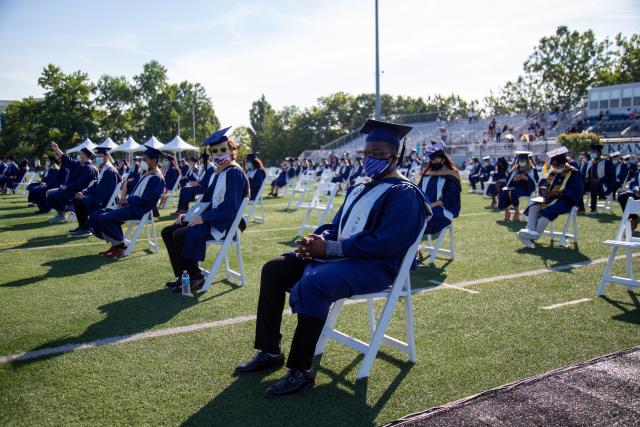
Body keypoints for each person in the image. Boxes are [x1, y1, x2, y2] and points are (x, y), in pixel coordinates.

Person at [234, 119, 431, 397]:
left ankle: (301, 370)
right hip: (342, 259)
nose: (371, 159)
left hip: (377, 267)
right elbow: (336, 226)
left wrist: (331, 249)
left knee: (315, 284)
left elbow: (387, 243)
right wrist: (317, 239)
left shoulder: (404, 193)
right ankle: (270, 350)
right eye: (367, 154)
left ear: (394, 157)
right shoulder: (360, 188)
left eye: (379, 154)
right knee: (274, 269)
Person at [162, 127, 249, 292]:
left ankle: (195, 276)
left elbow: (230, 208)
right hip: (211, 218)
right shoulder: (219, 172)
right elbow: (206, 201)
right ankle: (183, 275)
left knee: (180, 234)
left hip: (223, 224)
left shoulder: (234, 173)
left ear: (231, 151)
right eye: (214, 150)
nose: (218, 153)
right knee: (168, 231)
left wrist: (203, 218)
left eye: (223, 149)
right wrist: (188, 215)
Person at [87, 147, 165, 257]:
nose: (142, 162)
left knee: (106, 217)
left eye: (145, 159)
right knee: (97, 215)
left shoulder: (157, 178)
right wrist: (126, 194)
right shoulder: (148, 173)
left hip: (139, 210)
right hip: (131, 206)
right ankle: (116, 245)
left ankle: (120, 247)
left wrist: (127, 200)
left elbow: (147, 200)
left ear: (154, 161)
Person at [517, 147, 584, 247]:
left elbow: (578, 192)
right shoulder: (554, 172)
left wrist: (559, 193)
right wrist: (543, 190)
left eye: (552, 162)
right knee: (534, 207)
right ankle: (530, 231)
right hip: (550, 198)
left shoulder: (574, 173)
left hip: (565, 200)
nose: (551, 164)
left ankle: (534, 235)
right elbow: (544, 184)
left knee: (550, 210)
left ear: (557, 162)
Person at [69, 147, 121, 237]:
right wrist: (84, 192)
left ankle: (85, 228)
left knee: (79, 201)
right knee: (77, 198)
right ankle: (83, 226)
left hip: (103, 200)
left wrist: (89, 197)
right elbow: (96, 185)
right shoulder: (104, 169)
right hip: (98, 196)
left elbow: (104, 192)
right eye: (96, 156)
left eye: (99, 156)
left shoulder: (110, 171)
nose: (97, 158)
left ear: (107, 156)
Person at [418, 141, 461, 236]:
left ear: (443, 160)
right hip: (426, 207)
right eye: (432, 160)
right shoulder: (427, 174)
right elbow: (419, 190)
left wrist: (429, 206)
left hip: (443, 210)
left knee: (420, 217)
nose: (433, 162)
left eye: (436, 160)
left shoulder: (451, 176)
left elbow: (450, 198)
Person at [46, 143, 98, 223]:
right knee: (49, 192)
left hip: (76, 192)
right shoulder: (80, 164)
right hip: (70, 189)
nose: (79, 156)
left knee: (51, 195)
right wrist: (57, 149)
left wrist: (66, 187)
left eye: (80, 154)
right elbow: (67, 160)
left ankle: (63, 213)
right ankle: (61, 214)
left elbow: (79, 183)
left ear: (85, 155)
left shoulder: (88, 168)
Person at [498, 151, 536, 222]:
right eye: (520, 161)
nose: (521, 162)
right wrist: (514, 179)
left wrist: (525, 178)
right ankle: (507, 211)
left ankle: (517, 212)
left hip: (526, 189)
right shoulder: (515, 169)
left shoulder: (532, 169)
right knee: (503, 192)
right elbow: (508, 180)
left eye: (523, 161)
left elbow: (535, 182)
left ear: (527, 161)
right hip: (514, 187)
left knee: (512, 193)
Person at [585, 144, 615, 214]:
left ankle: (593, 209)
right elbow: (587, 175)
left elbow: (611, 176)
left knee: (594, 185)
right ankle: (580, 207)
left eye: (594, 152)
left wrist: (600, 180)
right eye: (591, 152)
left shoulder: (607, 162)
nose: (592, 153)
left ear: (599, 153)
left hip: (604, 184)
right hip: (592, 183)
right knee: (579, 186)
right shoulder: (590, 162)